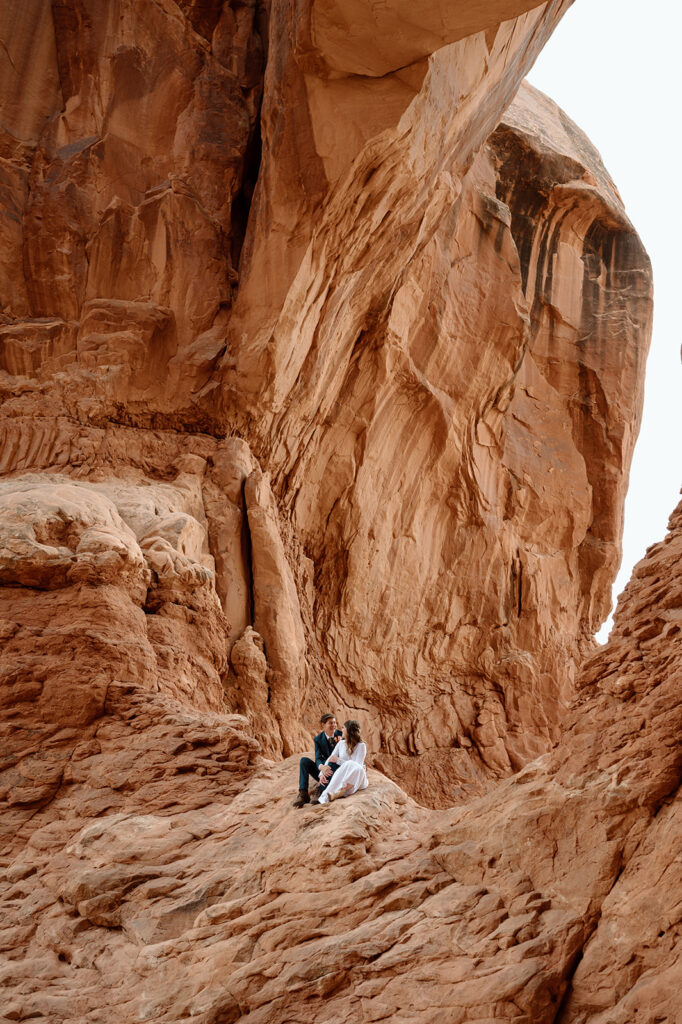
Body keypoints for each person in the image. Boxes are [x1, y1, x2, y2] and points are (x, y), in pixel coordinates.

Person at [293, 713, 340, 807]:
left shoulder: (342, 734)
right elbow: (318, 757)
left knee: (331, 765)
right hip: (324, 770)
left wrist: (362, 764)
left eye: (335, 723)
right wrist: (322, 767)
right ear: (323, 725)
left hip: (338, 770)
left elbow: (353, 750)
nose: (334, 725)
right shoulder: (318, 739)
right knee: (304, 761)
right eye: (331, 723)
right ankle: (303, 793)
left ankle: (320, 789)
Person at [318, 720, 367, 805]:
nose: (341, 730)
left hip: (356, 777)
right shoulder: (340, 743)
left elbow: (356, 766)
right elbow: (330, 758)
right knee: (344, 765)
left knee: (353, 765)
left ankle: (341, 791)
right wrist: (321, 773)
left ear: (349, 730)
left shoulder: (361, 746)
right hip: (344, 773)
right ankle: (335, 793)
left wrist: (338, 760)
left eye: (343, 728)